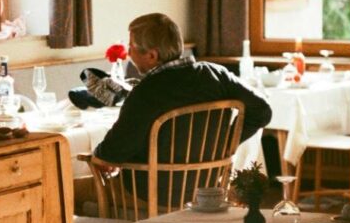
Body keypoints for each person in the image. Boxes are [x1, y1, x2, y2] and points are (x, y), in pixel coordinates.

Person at [93, 13, 272, 199]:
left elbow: (111, 153)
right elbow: (262, 111)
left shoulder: (146, 92)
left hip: (152, 193)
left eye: (131, 48)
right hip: (207, 188)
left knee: (81, 189)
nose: (129, 54)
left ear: (152, 55)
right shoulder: (217, 75)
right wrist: (226, 144)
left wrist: (98, 155)